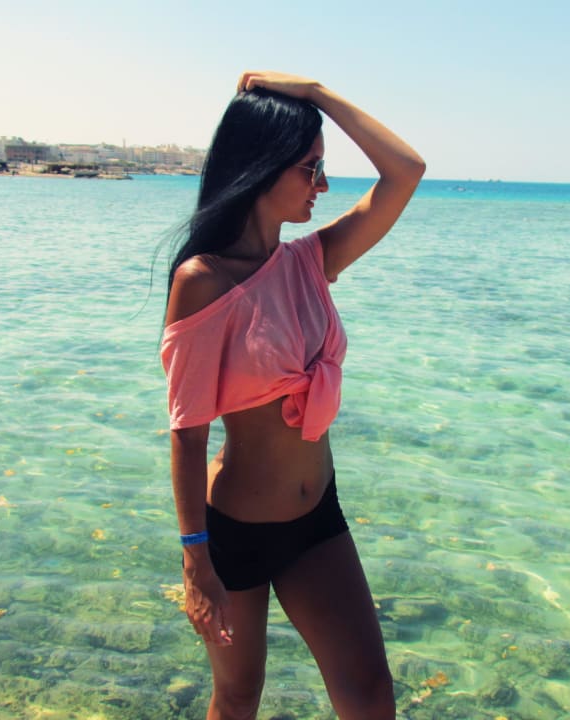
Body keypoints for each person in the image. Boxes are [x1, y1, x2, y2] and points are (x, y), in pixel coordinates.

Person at [161, 70, 425, 720]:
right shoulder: (204, 281)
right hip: (236, 532)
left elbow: (406, 171)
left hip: (317, 520)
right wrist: (196, 560)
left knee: (370, 694)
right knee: (238, 697)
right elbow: (189, 431)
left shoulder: (312, 261)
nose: (323, 185)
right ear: (262, 166)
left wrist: (316, 93)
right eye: (311, 168)